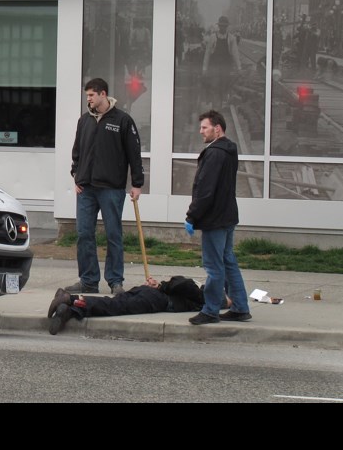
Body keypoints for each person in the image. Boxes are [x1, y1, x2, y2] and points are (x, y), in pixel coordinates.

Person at [68, 78, 144, 295]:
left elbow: (134, 154)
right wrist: (76, 175)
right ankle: (88, 281)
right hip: (86, 188)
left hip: (112, 188)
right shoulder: (84, 121)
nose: (88, 100)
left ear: (103, 94)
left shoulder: (122, 120)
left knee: (113, 234)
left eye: (91, 95)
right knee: (84, 234)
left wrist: (137, 183)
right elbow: (77, 152)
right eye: (87, 96)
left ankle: (115, 281)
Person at [184, 109, 252, 325]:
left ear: (217, 128)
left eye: (204, 127)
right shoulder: (229, 150)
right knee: (228, 261)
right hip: (228, 215)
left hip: (215, 219)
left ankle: (211, 310)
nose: (201, 131)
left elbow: (206, 190)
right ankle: (240, 307)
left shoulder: (214, 153)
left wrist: (192, 216)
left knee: (214, 266)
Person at [47, 275, 206, 335]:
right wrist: (160, 286)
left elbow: (180, 284)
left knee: (112, 304)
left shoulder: (206, 298)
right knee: (113, 306)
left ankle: (69, 310)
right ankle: (70, 298)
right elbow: (182, 283)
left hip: (152, 296)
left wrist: (160, 286)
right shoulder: (205, 294)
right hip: (157, 299)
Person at [202, 16, 241, 108]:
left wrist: (239, 68)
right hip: (214, 66)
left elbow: (235, 53)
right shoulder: (213, 37)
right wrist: (204, 68)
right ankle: (215, 107)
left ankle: (219, 104)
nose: (223, 28)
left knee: (223, 86)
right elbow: (207, 54)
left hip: (226, 67)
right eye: (221, 26)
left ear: (227, 27)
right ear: (219, 26)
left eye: (225, 26)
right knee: (215, 86)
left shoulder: (231, 38)